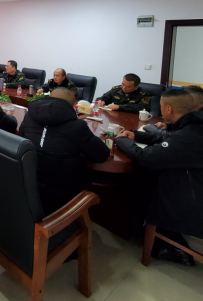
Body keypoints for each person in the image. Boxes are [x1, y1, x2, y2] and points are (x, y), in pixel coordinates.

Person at [116, 89, 203, 266]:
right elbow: (169, 139)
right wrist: (136, 135)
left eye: (161, 106)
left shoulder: (190, 135)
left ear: (168, 108)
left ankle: (166, 244)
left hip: (191, 198)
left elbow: (146, 157)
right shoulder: (194, 124)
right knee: (140, 178)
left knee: (131, 185)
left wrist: (122, 140)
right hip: (191, 180)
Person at [20, 88, 110, 215]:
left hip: (27, 181)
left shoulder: (30, 116)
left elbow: (23, 134)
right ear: (72, 106)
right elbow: (101, 155)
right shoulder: (78, 126)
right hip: (59, 194)